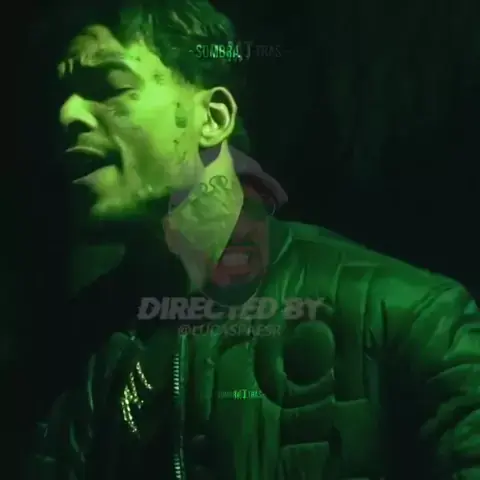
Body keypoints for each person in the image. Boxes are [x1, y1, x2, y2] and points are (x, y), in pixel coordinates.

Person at [29, 1, 480, 479]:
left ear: (213, 117)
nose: (67, 113)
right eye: (63, 96)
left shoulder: (409, 316)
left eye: (109, 86)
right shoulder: (77, 348)